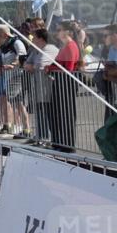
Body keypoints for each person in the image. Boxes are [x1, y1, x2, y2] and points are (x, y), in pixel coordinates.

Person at [47, 21, 80, 153]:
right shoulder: (65, 46)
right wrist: (50, 67)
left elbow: (68, 68)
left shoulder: (71, 46)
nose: (57, 32)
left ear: (68, 32)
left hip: (66, 84)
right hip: (59, 83)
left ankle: (68, 144)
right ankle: (60, 142)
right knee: (58, 113)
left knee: (66, 113)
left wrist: (50, 68)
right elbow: (58, 64)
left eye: (59, 30)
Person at [23, 28, 58, 145]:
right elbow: (26, 63)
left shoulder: (50, 49)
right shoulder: (36, 50)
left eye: (34, 37)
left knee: (47, 112)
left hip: (48, 86)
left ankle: (47, 138)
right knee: (39, 111)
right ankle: (40, 136)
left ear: (41, 39)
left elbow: (41, 65)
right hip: (38, 86)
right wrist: (31, 66)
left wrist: (32, 67)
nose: (32, 39)